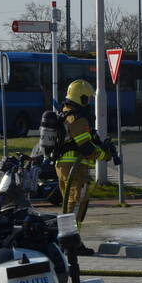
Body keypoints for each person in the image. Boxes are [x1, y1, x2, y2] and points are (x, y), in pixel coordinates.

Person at [55, 80, 111, 256]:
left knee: (69, 205)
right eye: (87, 98)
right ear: (81, 98)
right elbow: (86, 149)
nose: (89, 102)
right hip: (75, 169)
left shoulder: (65, 113)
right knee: (76, 204)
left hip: (65, 167)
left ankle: (70, 240)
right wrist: (105, 154)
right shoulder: (77, 119)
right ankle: (71, 243)